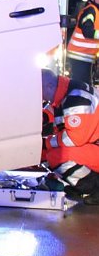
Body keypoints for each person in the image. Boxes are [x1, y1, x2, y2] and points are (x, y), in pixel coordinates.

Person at [41, 68, 99, 204]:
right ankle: (83, 185)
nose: (40, 96)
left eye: (40, 91)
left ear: (49, 86)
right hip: (92, 145)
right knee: (46, 152)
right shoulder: (65, 91)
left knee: (57, 156)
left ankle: (94, 188)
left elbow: (74, 139)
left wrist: (47, 143)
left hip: (92, 146)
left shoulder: (76, 97)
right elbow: (52, 112)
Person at [66, 0, 99, 84]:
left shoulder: (96, 11)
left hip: (85, 56)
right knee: (82, 86)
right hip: (79, 56)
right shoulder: (90, 10)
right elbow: (88, 31)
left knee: (85, 85)